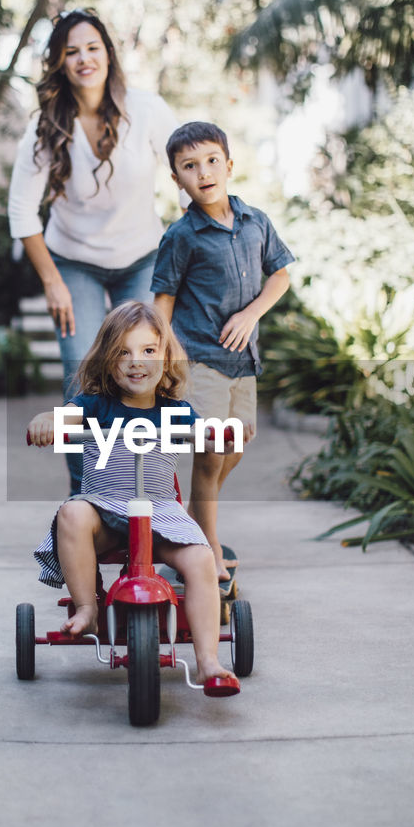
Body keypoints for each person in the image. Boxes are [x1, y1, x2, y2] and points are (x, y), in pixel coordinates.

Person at [27, 301, 238, 691]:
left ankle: (209, 660)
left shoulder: (177, 412)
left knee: (201, 558)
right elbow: (66, 417)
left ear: (165, 357)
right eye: (123, 352)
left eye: (147, 350)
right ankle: (88, 608)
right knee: (72, 512)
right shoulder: (96, 406)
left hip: (161, 515)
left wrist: (215, 435)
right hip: (104, 510)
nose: (135, 361)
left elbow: (206, 430)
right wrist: (48, 422)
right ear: (107, 361)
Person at [8, 7, 180, 401]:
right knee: (82, 378)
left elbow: (186, 177)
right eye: (72, 51)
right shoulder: (44, 126)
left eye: (92, 47)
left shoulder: (147, 109)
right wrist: (52, 282)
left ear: (108, 53)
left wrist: (185, 253)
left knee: (143, 372)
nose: (84, 58)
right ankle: (89, 467)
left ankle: (139, 465)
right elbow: (21, 209)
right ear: (59, 63)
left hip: (141, 258)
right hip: (73, 262)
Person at [151, 121, 294, 582]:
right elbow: (163, 300)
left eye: (212, 161)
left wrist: (252, 314)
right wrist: (162, 357)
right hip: (200, 359)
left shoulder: (256, 222)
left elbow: (281, 276)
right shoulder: (182, 236)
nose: (203, 172)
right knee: (211, 450)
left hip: (243, 360)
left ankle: (193, 516)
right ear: (177, 180)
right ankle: (206, 545)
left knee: (235, 446)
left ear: (229, 165)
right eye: (189, 166)